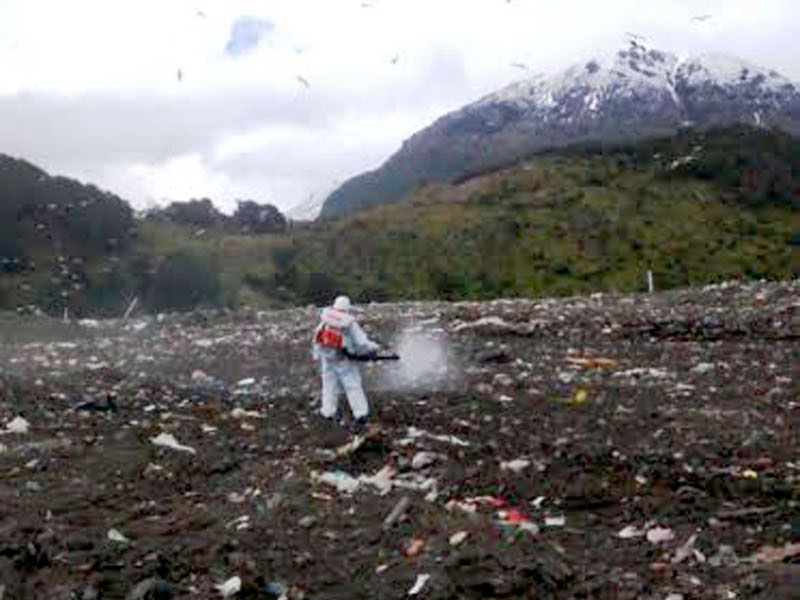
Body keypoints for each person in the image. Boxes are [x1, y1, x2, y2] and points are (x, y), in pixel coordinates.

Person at [312, 295, 380, 430]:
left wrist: (317, 355)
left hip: (327, 359)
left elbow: (317, 338)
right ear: (348, 309)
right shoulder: (349, 323)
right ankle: (361, 414)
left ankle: (328, 412)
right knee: (352, 386)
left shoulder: (326, 319)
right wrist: (374, 348)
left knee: (329, 386)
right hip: (344, 359)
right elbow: (362, 342)